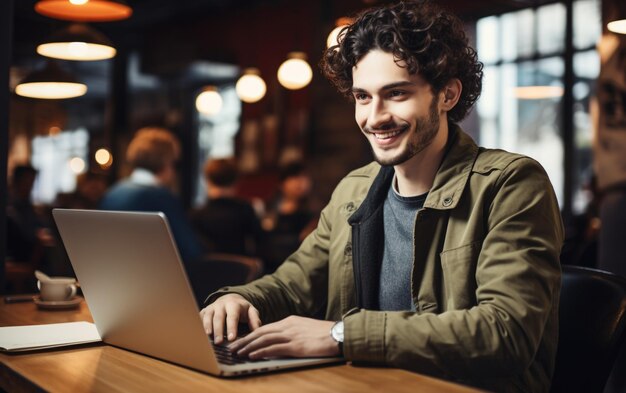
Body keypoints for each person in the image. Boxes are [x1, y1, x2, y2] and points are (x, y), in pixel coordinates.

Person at [200, 2, 563, 392]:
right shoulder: (354, 190)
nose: (375, 117)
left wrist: (342, 335)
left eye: (396, 93)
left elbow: (505, 333)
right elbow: (294, 283)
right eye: (363, 97)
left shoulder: (512, 184)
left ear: (448, 94)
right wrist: (238, 298)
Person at [100, 127, 203, 264]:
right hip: (155, 279)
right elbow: (192, 251)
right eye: (174, 163)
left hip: (116, 273)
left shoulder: (112, 193)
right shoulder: (161, 197)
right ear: (166, 163)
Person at [190, 158, 263, 256]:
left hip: (207, 269)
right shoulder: (245, 209)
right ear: (236, 181)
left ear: (208, 180)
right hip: (241, 268)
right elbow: (260, 242)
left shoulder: (196, 215)